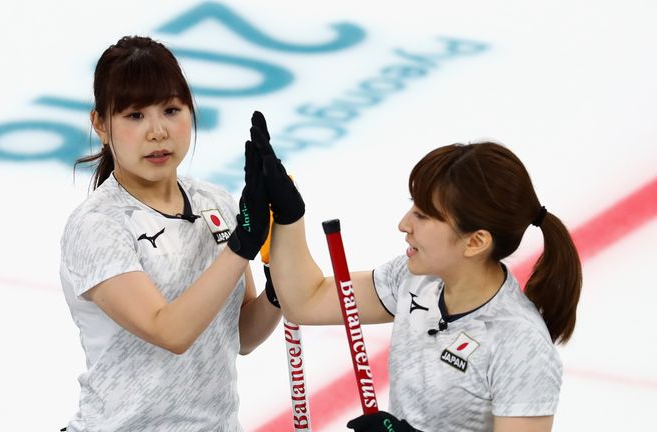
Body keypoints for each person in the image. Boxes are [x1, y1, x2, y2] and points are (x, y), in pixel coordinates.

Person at [248, 112, 582, 432]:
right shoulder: (416, 281)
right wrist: (289, 215)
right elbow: (306, 300)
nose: (404, 225)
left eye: (423, 216)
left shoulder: (520, 344)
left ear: (475, 241)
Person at [58, 36, 281, 431]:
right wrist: (241, 247)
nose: (158, 131)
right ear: (100, 125)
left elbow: (242, 334)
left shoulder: (217, 203)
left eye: (171, 110)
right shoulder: (97, 225)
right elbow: (170, 331)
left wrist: (278, 290)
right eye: (134, 116)